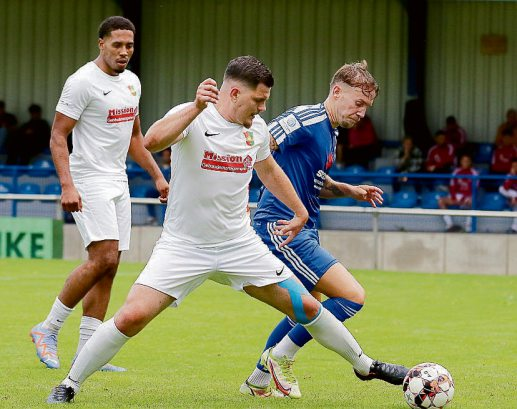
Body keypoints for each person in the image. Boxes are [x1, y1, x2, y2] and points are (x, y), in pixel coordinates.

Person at [46, 56, 407, 404]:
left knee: (308, 306)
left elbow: (270, 172)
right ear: (233, 93)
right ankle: (70, 384)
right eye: (259, 100)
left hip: (239, 246)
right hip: (183, 247)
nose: (263, 108)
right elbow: (151, 141)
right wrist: (195, 107)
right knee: (132, 316)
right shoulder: (194, 116)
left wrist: (298, 211)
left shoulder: (258, 131)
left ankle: (365, 365)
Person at [240, 61, 408, 399]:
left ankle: (257, 381)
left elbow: (314, 182)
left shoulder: (329, 132)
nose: (362, 113)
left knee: (304, 309)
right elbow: (258, 143)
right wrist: (236, 191)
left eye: (367, 106)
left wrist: (348, 190)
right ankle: (281, 357)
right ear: (336, 91)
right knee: (350, 296)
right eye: (358, 103)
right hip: (281, 225)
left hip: (303, 226)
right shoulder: (306, 119)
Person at [30, 16, 169, 373]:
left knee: (110, 268)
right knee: (103, 259)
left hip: (117, 180)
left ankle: (88, 350)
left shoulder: (132, 83)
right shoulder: (81, 82)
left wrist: (157, 176)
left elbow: (134, 139)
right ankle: (48, 328)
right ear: (101, 44)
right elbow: (58, 136)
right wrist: (67, 185)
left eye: (130, 45)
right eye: (117, 45)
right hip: (87, 178)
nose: (124, 52)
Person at [439, 154, 478, 232]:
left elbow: (474, 188)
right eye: (463, 161)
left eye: (467, 161)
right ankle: (449, 224)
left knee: (473, 201)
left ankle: (468, 226)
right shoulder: (456, 171)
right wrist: (454, 197)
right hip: (456, 196)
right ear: (461, 162)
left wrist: (464, 199)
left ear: (470, 162)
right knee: (441, 201)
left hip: (467, 197)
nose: (465, 163)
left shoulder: (474, 173)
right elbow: (452, 186)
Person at [499, 158, 517, 233]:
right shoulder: (510, 175)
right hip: (513, 195)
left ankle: (514, 229)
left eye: (516, 166)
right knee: (500, 188)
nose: (515, 168)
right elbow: (505, 188)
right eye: (513, 166)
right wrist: (512, 176)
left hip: (514, 197)